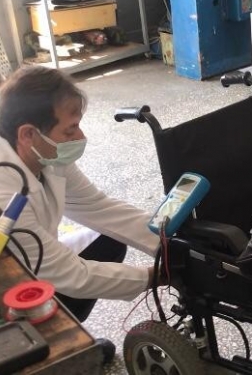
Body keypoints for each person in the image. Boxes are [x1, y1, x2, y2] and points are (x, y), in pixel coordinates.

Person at [0, 66, 161, 363]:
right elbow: (67, 273)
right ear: (28, 134)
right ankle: (43, 348)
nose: (80, 136)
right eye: (70, 129)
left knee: (109, 242)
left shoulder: (46, 153)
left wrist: (170, 241)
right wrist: (155, 276)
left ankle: (63, 333)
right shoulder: (4, 187)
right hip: (7, 283)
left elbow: (98, 207)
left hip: (35, 260)